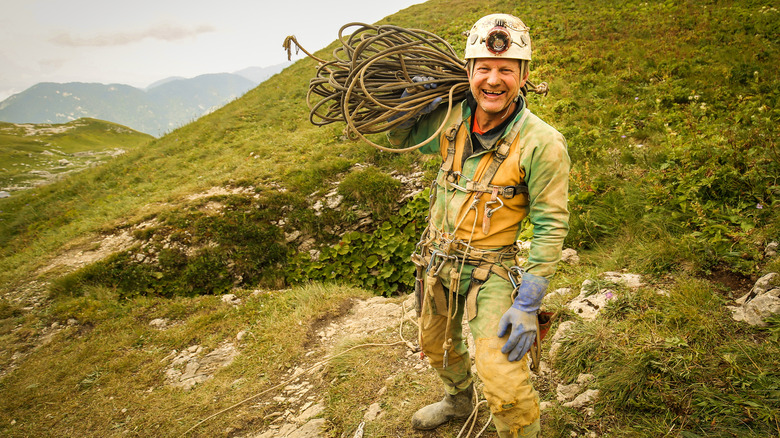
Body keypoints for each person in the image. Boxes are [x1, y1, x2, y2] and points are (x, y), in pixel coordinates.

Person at [386, 13, 570, 438]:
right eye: (483, 68)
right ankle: (458, 399)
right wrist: (405, 102)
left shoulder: (542, 143)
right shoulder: (451, 118)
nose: (493, 80)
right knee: (436, 347)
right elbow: (399, 138)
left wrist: (527, 305)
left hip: (491, 272)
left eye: (506, 69)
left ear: (523, 76)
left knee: (503, 378)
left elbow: (550, 224)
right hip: (437, 261)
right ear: (468, 71)